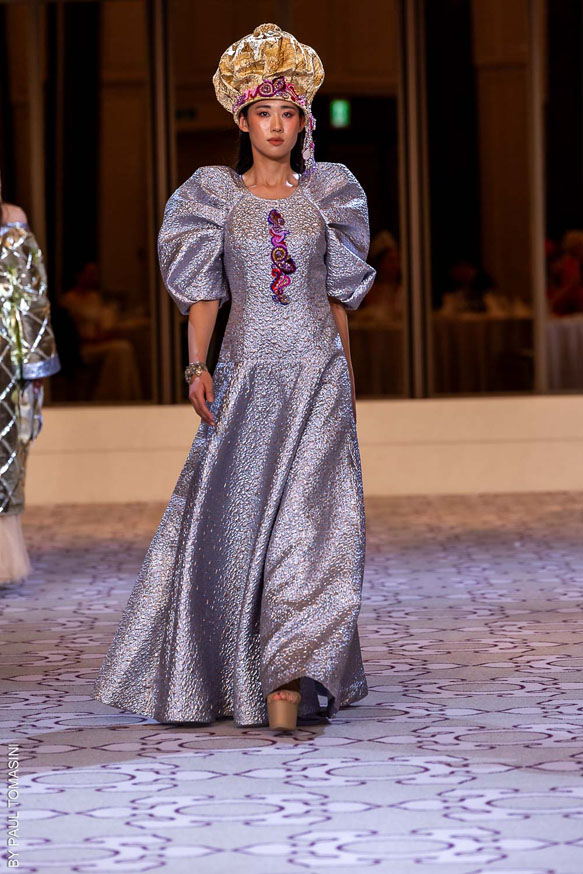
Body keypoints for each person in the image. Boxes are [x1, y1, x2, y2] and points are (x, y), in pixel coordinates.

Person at [92, 23, 376, 731]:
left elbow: (336, 300)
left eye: (288, 113)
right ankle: (228, 670)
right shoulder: (213, 197)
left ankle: (294, 675)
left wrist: (347, 380)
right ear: (242, 121)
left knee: (314, 522)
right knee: (236, 520)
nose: (276, 125)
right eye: (263, 113)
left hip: (317, 376)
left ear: (304, 123)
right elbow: (205, 295)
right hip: (246, 378)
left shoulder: (330, 195)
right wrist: (196, 365)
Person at [0, 181, 61, 585]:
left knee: (3, 451)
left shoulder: (11, 222)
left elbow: (29, 298)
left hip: (3, 360)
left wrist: (34, 367)